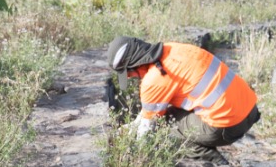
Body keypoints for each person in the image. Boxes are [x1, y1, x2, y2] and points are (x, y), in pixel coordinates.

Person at [104, 35, 261, 160]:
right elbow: (148, 111)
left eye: (129, 73)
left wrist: (135, 161)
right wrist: (131, 127)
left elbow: (146, 131)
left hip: (229, 126)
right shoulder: (173, 48)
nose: (130, 77)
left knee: (163, 126)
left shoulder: (154, 80)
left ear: (136, 64)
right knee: (166, 113)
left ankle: (211, 160)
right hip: (250, 110)